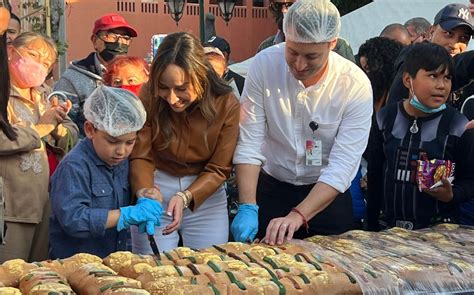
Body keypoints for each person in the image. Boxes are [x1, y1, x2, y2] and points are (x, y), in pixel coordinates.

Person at [232, 0, 373, 245]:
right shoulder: (264, 65)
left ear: (332, 44)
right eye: (292, 52)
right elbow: (250, 141)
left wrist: (298, 215)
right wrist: (247, 206)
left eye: (311, 56)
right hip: (272, 187)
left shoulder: (354, 85)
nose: (299, 65)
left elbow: (343, 165)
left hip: (326, 194)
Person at [129, 32, 240, 252]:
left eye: (181, 89)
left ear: (201, 77)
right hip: (156, 184)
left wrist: (187, 196)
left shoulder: (226, 104)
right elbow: (141, 153)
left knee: (209, 268)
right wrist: (144, 192)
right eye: (163, 87)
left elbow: (219, 168)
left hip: (205, 192)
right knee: (151, 268)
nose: (171, 98)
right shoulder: (148, 96)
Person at [367, 42, 474, 231]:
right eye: (433, 76)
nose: (441, 86)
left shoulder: (458, 125)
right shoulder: (385, 118)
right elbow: (375, 175)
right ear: (408, 80)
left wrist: (452, 195)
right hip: (388, 233)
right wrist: (371, 226)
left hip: (440, 235)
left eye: (447, 78)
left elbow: (470, 179)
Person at [49, 86, 163, 259]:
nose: (121, 151)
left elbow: (126, 195)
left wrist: (146, 195)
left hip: (115, 257)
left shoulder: (121, 162)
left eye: (129, 142)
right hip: (76, 263)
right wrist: (125, 215)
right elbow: (73, 219)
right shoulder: (74, 166)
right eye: (112, 141)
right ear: (89, 129)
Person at [0, 32, 78, 263]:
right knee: (8, 278)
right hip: (10, 209)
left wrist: (58, 126)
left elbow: (72, 135)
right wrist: (41, 128)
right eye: (33, 55)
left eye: (46, 63)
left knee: (37, 277)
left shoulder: (44, 94)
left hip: (43, 205)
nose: (39, 65)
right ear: (12, 52)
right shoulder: (3, 93)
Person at [54, 13, 138, 137]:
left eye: (125, 38)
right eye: (111, 36)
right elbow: (65, 124)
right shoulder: (73, 78)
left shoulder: (136, 75)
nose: (120, 43)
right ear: (94, 40)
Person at [387, 3, 474, 105]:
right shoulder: (414, 55)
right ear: (431, 31)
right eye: (448, 33)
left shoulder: (465, 76)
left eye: (464, 38)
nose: (454, 44)